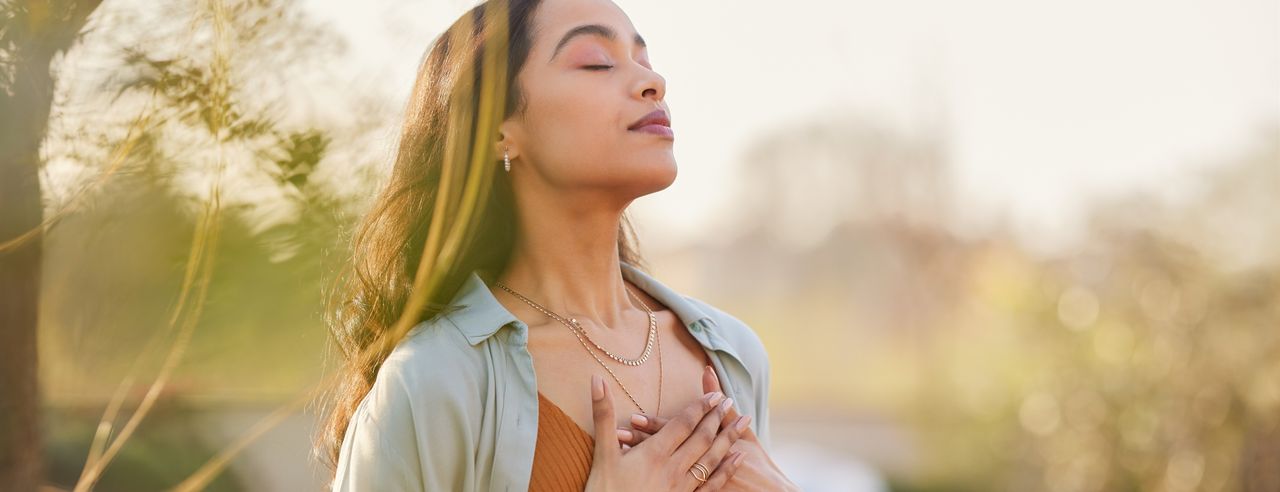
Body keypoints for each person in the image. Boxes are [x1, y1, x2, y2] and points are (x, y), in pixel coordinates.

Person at [314, 0, 799, 490]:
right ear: (499, 131)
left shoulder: (732, 354)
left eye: (645, 63)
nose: (655, 84)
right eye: (597, 62)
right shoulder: (434, 381)